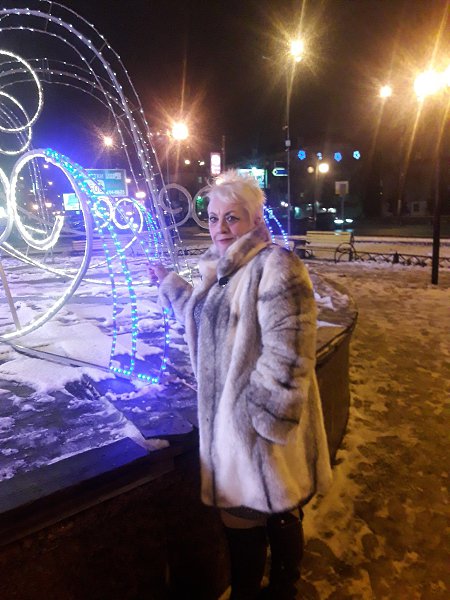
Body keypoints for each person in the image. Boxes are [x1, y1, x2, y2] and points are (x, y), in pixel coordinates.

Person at [150, 170, 332, 599]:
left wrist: (259, 424)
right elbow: (205, 325)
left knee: (273, 514)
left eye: (232, 217)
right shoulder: (226, 272)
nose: (221, 228)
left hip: (259, 431)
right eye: (214, 218)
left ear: (255, 219)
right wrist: (171, 285)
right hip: (234, 433)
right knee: (250, 524)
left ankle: (283, 588)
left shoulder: (275, 266)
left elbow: (290, 353)